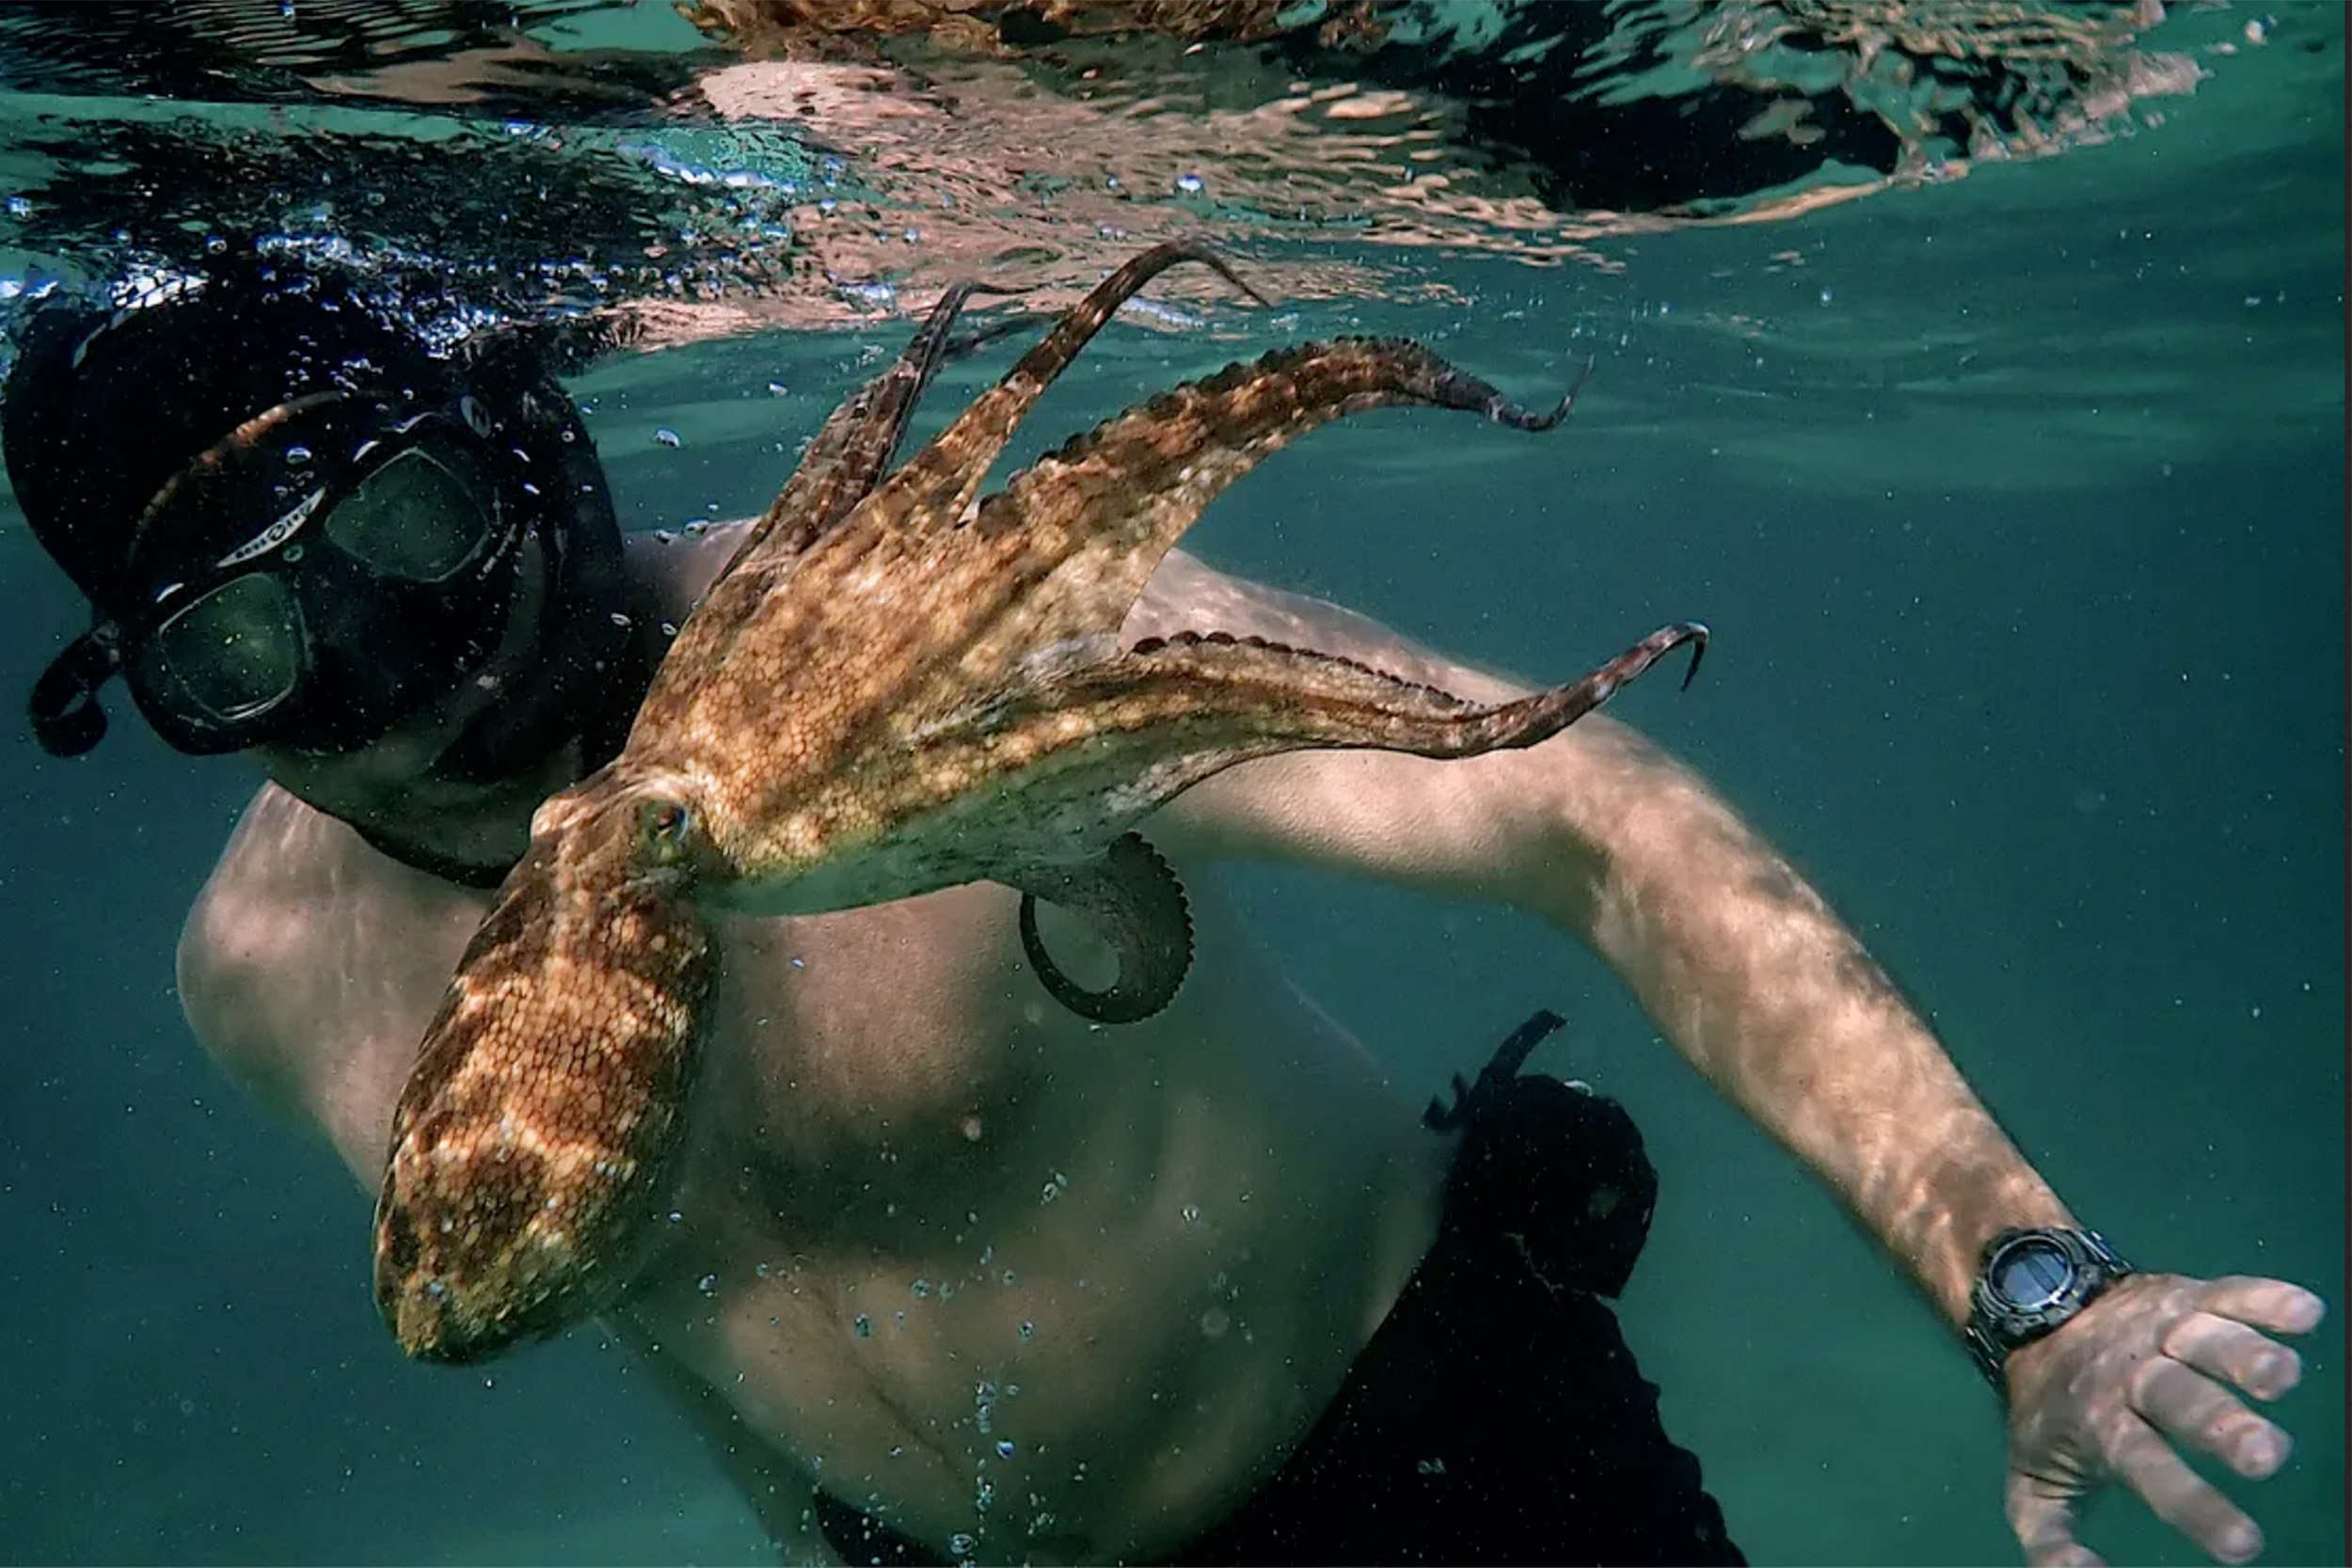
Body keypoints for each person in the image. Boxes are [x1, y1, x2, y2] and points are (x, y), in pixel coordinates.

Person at [5, 251, 2324, 1568]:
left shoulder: (942, 644)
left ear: (521, 444)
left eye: (408, 528)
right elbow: (667, 1313)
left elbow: (1591, 819)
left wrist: (2027, 1287)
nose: (401, 671)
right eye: (242, 647)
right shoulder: (264, 978)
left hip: (1444, 1477)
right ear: (161, 694)